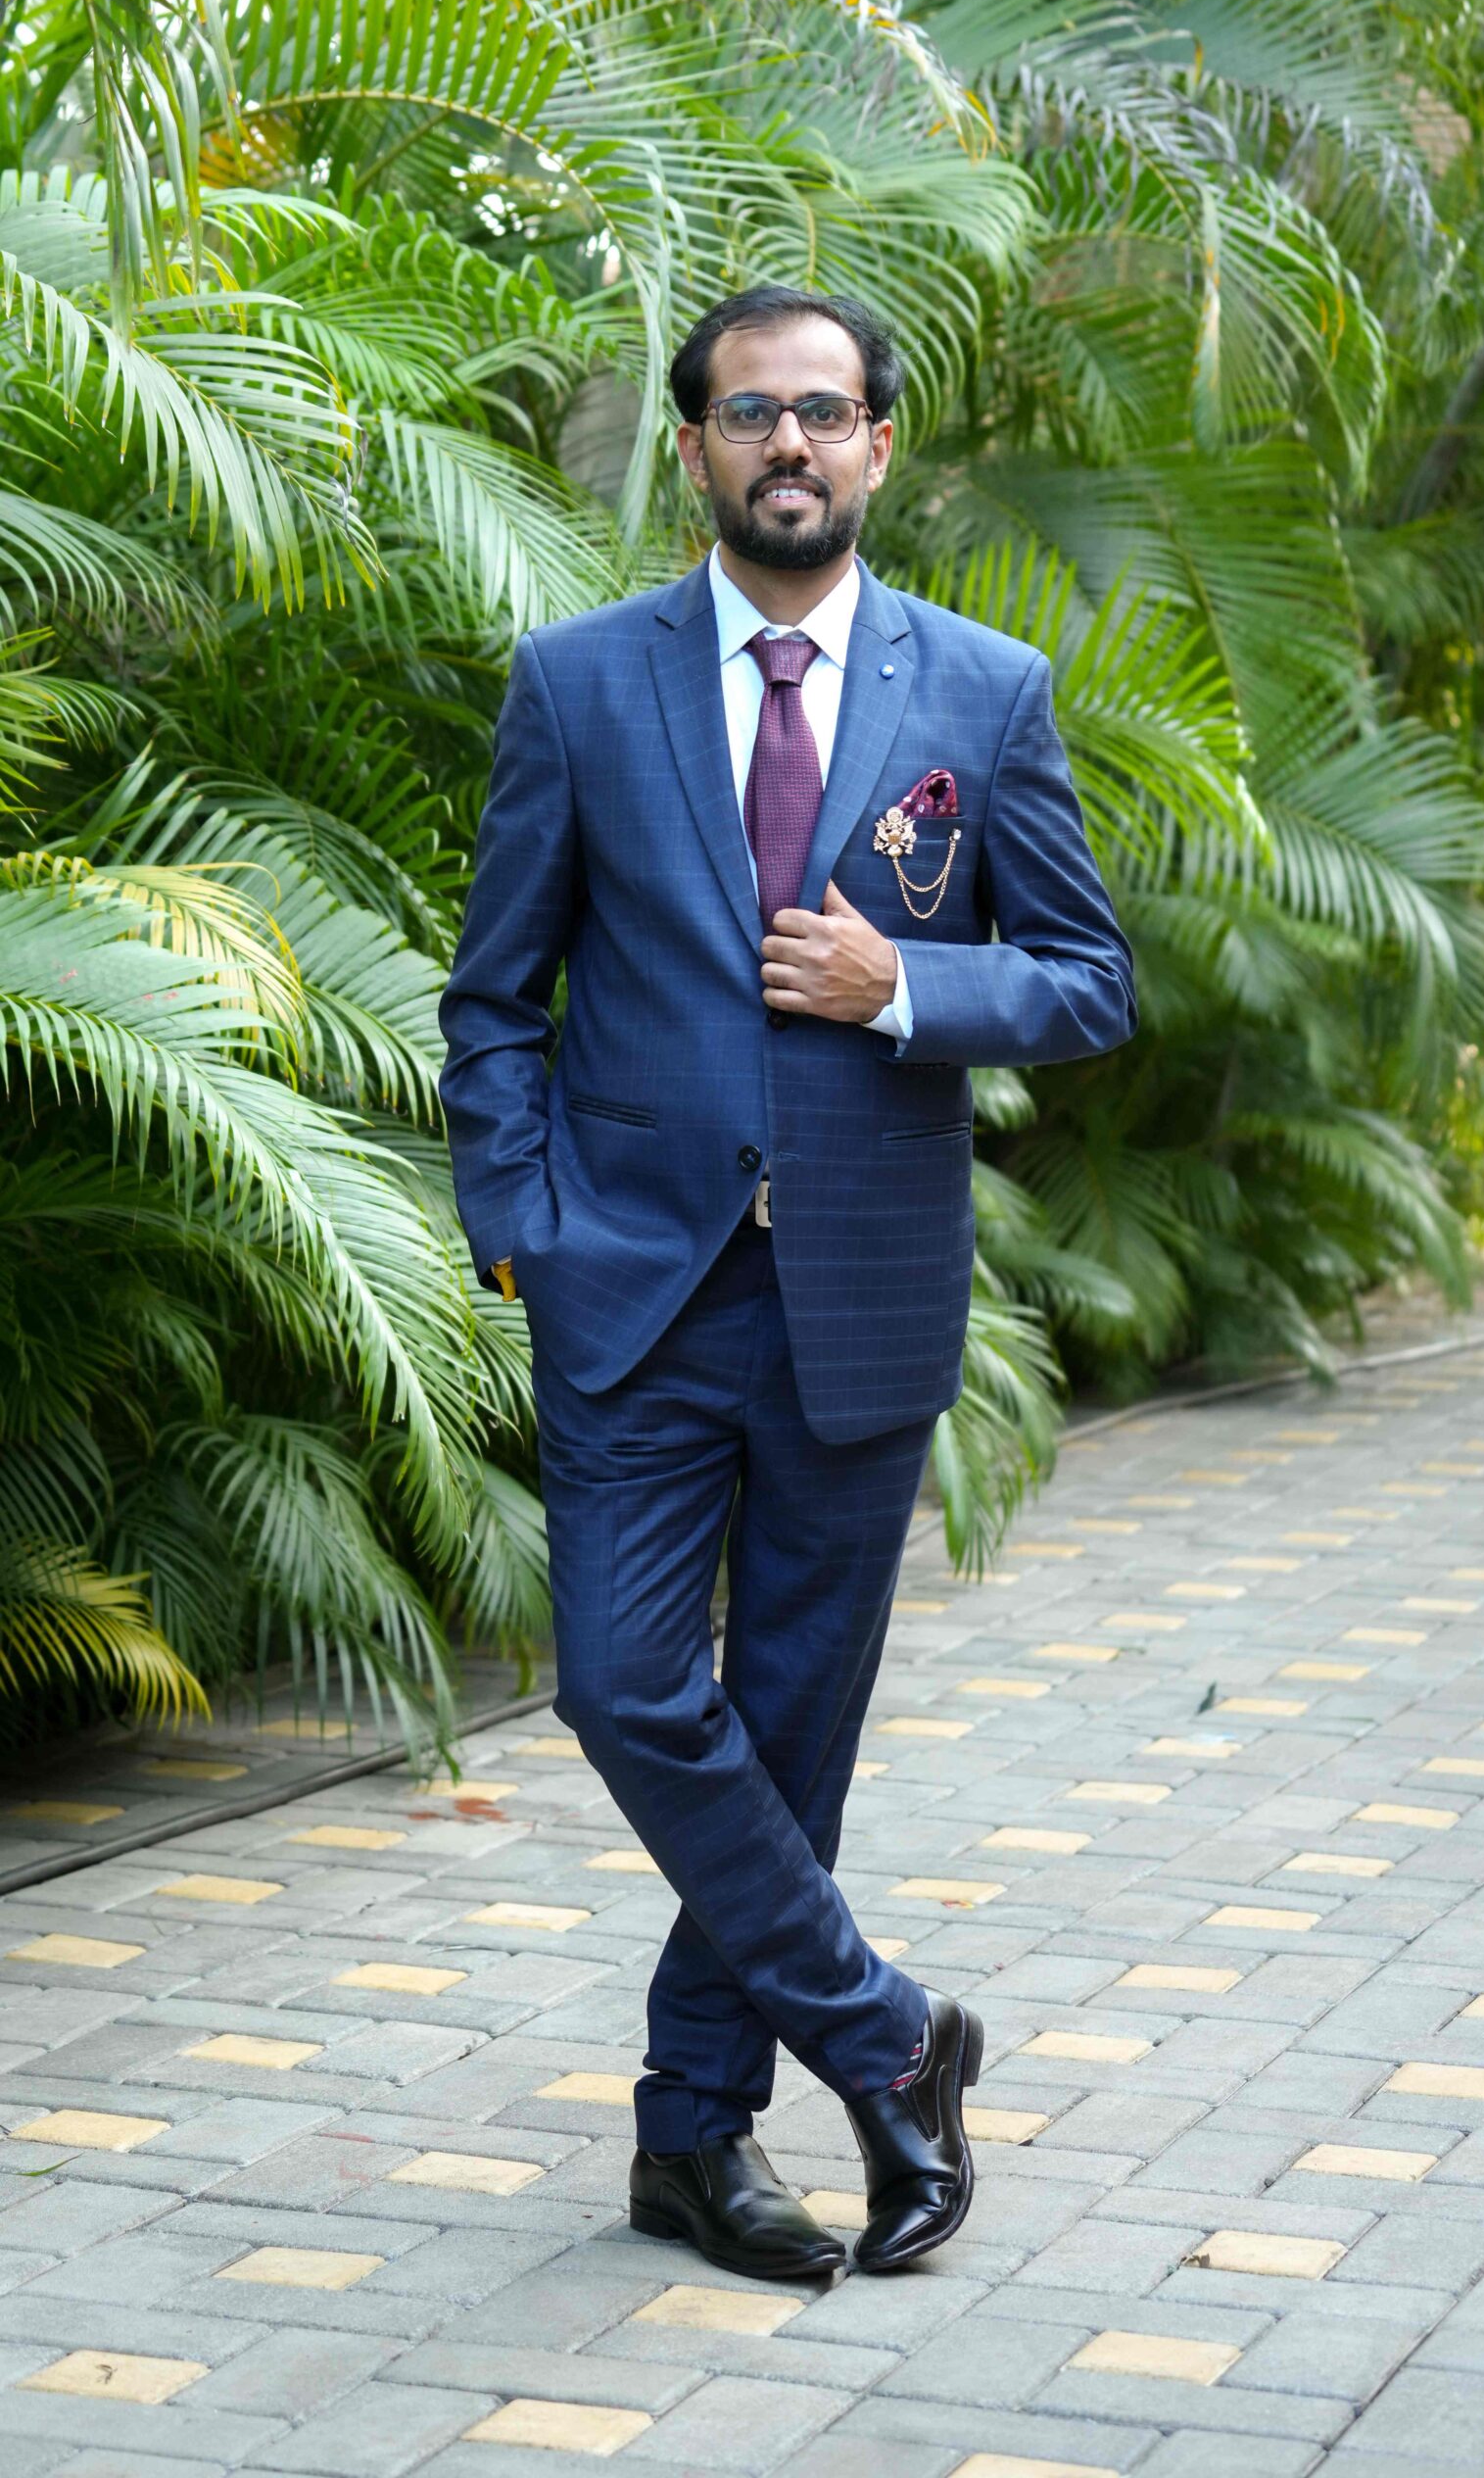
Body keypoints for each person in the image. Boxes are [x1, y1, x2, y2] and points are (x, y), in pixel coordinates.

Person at [438, 284, 1135, 2281]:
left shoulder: (982, 691)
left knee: (794, 1726)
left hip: (860, 1287)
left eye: (824, 412)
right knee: (624, 1684)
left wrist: (902, 982)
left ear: (878, 445)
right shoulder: (579, 682)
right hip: (629, 1288)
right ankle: (889, 2037)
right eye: (751, 414)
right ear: (696, 450)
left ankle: (690, 2137)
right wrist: (522, 1222)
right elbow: (495, 996)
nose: (790, 445)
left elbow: (1086, 981)